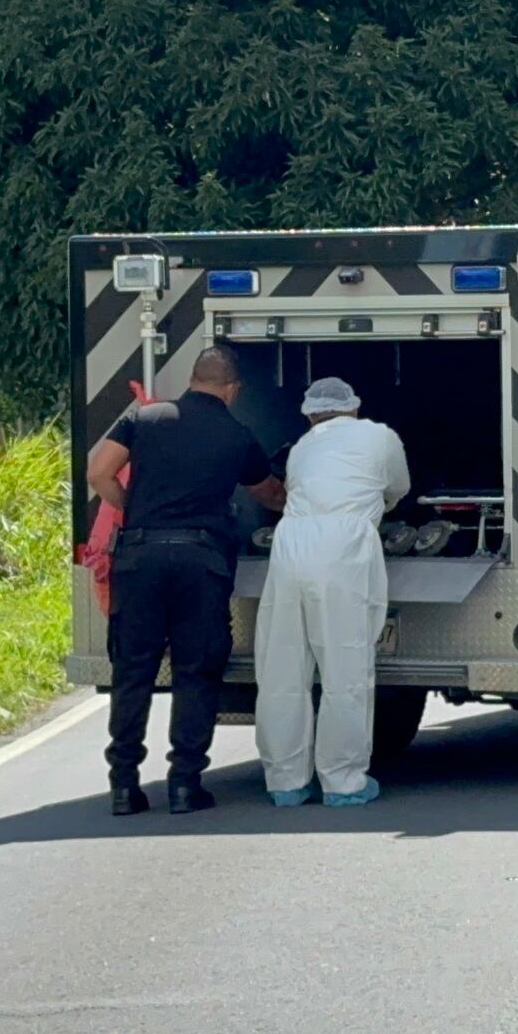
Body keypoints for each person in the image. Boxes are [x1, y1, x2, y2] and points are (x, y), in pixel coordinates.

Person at [85, 346, 284, 815]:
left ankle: (123, 785)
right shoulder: (236, 435)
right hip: (202, 561)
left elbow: (98, 472)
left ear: (193, 380)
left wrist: (131, 507)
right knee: (196, 670)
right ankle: (184, 783)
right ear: (232, 389)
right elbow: (270, 494)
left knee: (132, 671)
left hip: (140, 558)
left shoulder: (144, 419)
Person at [255, 377, 409, 808]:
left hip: (291, 544)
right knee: (345, 668)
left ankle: (285, 781)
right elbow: (399, 488)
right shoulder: (380, 436)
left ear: (309, 414)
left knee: (283, 668)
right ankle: (343, 781)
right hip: (343, 548)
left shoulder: (303, 446)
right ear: (354, 408)